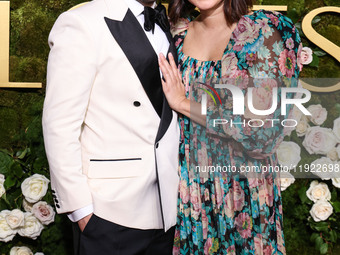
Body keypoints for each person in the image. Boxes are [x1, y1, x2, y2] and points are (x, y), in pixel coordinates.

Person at [158, 0, 303, 254]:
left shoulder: (264, 31)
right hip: (191, 192)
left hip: (245, 190)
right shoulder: (175, 36)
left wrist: (182, 103)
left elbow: (263, 131)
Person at [42, 0, 181, 254]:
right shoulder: (82, 21)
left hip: (168, 210)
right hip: (111, 211)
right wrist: (80, 209)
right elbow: (59, 123)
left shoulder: (170, 23)